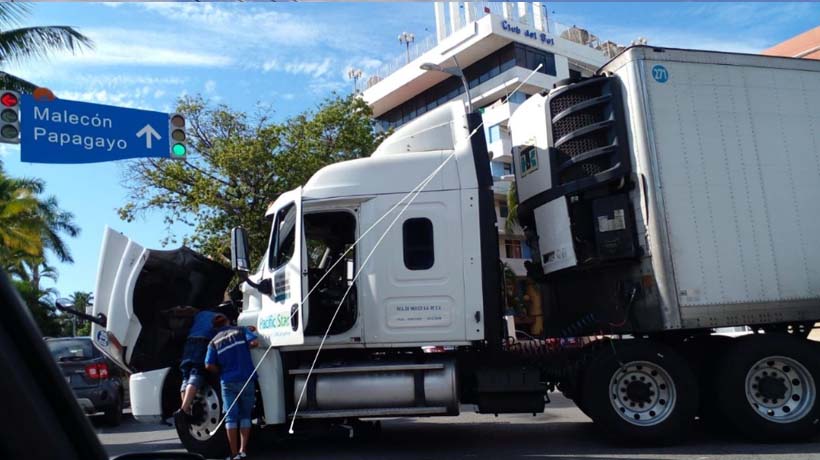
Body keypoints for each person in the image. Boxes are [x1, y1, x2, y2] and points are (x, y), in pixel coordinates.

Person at [205, 325, 259, 460]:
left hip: (228, 381)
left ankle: (234, 454)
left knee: (231, 418)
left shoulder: (213, 342)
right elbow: (255, 342)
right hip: (247, 379)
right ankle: (243, 450)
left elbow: (208, 364)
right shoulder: (240, 330)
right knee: (246, 415)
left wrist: (220, 371)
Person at [177, 307, 229, 415]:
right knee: (197, 373)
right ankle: (184, 409)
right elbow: (224, 331)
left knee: (185, 376)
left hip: (189, 341)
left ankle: (186, 410)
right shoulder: (220, 317)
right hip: (203, 341)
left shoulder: (201, 313)